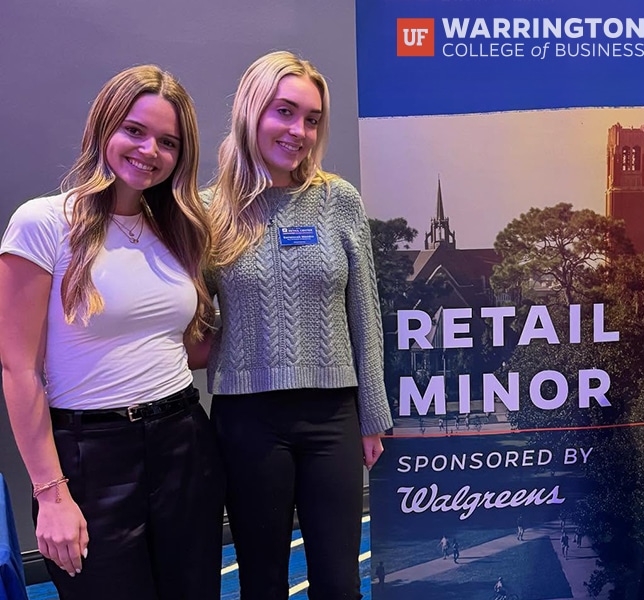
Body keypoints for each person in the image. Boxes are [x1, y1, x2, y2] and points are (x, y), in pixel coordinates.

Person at [0, 66, 224, 600]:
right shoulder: (43, 223)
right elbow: (19, 369)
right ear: (103, 127)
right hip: (89, 459)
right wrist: (51, 495)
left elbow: (190, 347)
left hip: (184, 444)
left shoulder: (182, 231)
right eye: (135, 130)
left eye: (168, 142)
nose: (150, 150)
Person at [203, 50, 393, 599]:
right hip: (247, 419)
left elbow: (365, 312)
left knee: (338, 583)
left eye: (312, 119)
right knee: (261, 582)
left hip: (332, 415)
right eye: (285, 112)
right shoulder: (209, 210)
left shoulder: (337, 201)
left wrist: (371, 415)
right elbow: (190, 316)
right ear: (251, 112)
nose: (300, 131)